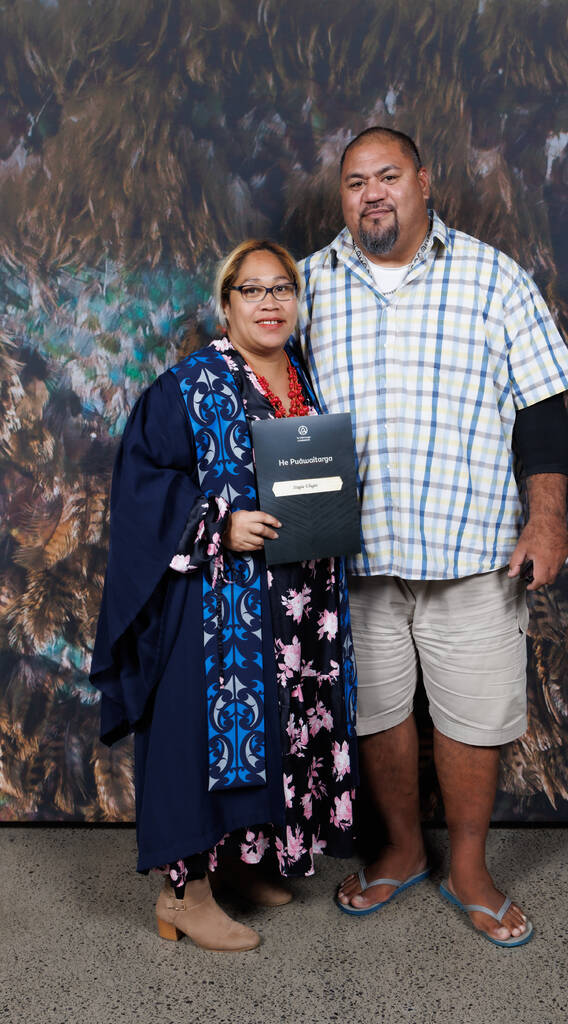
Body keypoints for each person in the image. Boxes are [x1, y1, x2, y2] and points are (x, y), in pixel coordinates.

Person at [298, 127, 568, 947]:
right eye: (355, 183)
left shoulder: (492, 277)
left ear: (423, 181)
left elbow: (540, 408)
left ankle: (467, 866)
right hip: (351, 556)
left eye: (387, 176)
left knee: (471, 719)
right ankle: (397, 852)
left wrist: (546, 516)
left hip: (472, 553)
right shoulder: (308, 284)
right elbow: (269, 396)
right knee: (377, 714)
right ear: (341, 197)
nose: (372, 194)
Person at [90, 239, 357, 951]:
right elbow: (140, 486)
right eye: (251, 290)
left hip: (293, 603)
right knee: (197, 741)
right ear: (226, 303)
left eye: (282, 290)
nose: (269, 303)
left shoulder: (300, 377)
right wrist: (218, 523)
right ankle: (186, 895)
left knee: (270, 731)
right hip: (212, 605)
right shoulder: (190, 385)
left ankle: (241, 865)